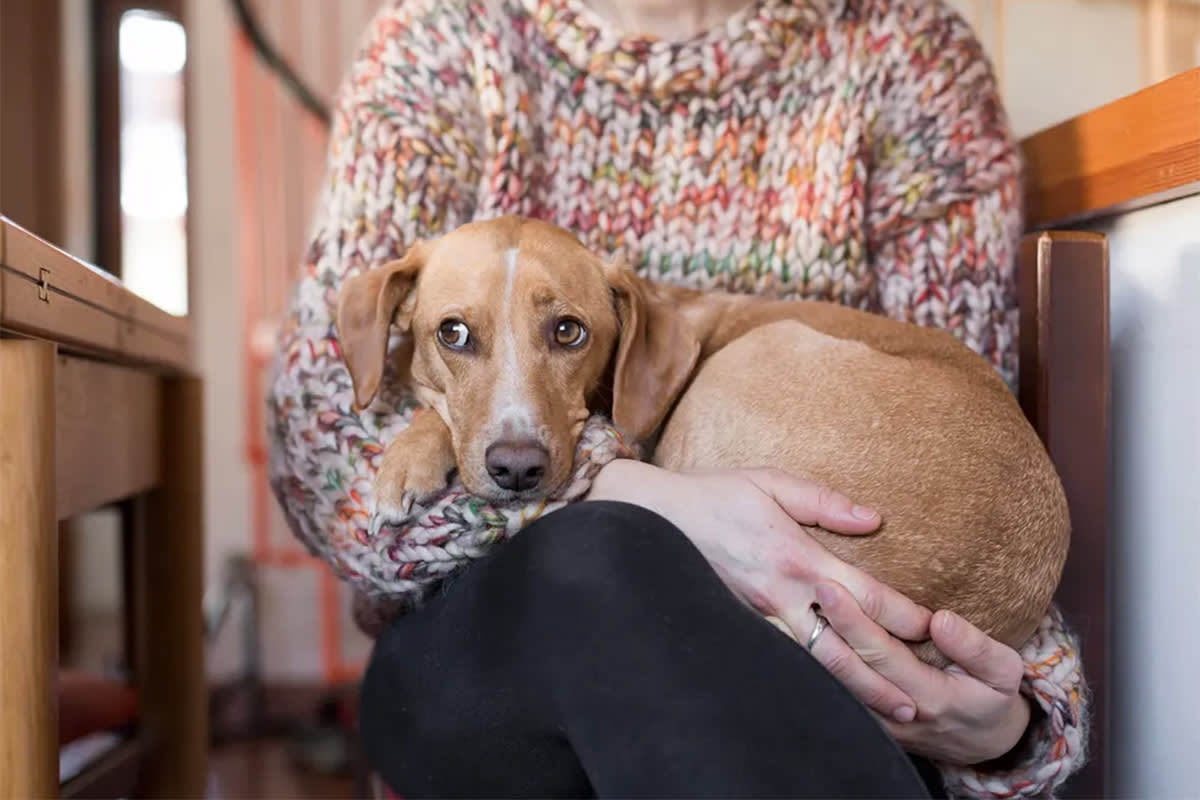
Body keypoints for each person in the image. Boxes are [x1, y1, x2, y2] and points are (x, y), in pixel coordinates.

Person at [266, 0, 1090, 796]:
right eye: (455, 336)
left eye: (567, 335)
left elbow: (960, 477)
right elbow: (321, 430)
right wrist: (650, 496)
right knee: (601, 556)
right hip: (490, 659)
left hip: (855, 661)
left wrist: (1010, 718)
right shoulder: (445, 40)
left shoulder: (907, 54)